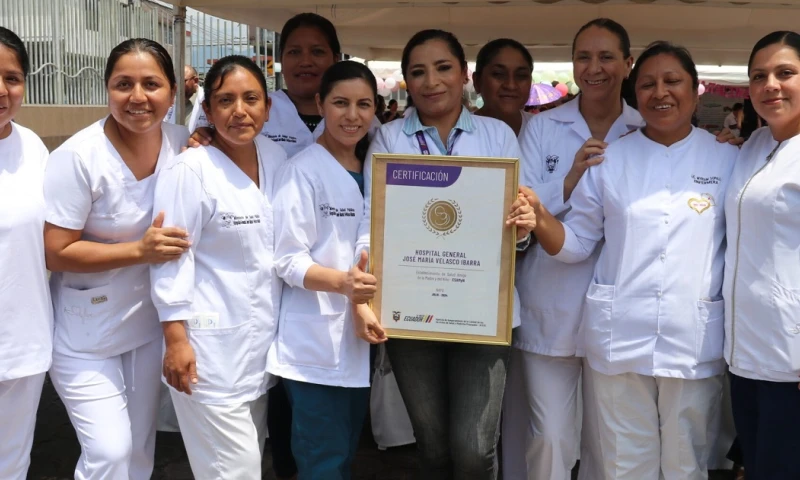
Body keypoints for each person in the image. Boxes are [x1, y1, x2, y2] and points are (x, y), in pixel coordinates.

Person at [528, 41, 738, 479]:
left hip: (692, 339)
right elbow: (579, 242)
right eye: (648, 84)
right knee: (625, 467)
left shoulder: (727, 158)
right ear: (635, 92)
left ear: (695, 88)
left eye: (672, 81)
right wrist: (540, 218)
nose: (660, 92)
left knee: (688, 464)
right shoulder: (609, 158)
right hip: (620, 336)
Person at [186, 14, 370, 478]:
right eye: (295, 51)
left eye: (318, 51)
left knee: (330, 440)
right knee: (297, 439)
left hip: (336, 318)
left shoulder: (373, 145)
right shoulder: (266, 124)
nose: (306, 61)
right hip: (291, 312)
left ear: (335, 58)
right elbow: (287, 254)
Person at [355, 29, 537, 480]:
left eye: (442, 68)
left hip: (483, 313)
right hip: (411, 315)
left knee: (475, 450)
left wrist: (522, 225)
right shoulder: (389, 140)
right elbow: (373, 222)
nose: (431, 81)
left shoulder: (496, 137)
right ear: (405, 82)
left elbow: (518, 234)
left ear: (464, 74)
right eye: (418, 72)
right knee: (432, 447)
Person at [42, 39, 190, 480]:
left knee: (140, 450)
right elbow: (56, 251)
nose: (138, 97)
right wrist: (138, 251)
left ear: (173, 93)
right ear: (107, 89)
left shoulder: (181, 142)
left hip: (144, 326)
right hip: (84, 334)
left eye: (151, 84)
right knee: (109, 452)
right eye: (123, 84)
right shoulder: (78, 157)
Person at [510, 18, 643, 480]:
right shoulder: (543, 128)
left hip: (621, 310)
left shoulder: (644, 128)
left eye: (607, 57)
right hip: (550, 304)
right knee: (550, 438)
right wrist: (569, 178)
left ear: (628, 63)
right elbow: (519, 199)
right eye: (584, 57)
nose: (594, 68)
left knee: (608, 442)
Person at [151, 55, 286, 479]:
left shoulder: (277, 157)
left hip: (259, 348)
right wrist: (175, 340)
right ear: (207, 110)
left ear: (268, 106)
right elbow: (171, 259)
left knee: (246, 461)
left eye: (251, 98)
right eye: (225, 100)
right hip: (207, 353)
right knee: (237, 471)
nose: (239, 111)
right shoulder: (191, 169)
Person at [267, 60, 386, 480]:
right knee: (322, 461)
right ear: (320, 103)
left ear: (377, 109)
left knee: (342, 452)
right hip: (313, 343)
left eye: (363, 104)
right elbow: (286, 258)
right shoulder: (302, 171)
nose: (352, 115)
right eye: (340, 103)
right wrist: (345, 284)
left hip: (356, 341)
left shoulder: (376, 168)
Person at [723, 30, 800, 480]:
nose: (770, 84)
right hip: (745, 353)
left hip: (790, 361)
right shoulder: (754, 146)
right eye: (759, 76)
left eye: (785, 73)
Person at [0, 27, 53, 480]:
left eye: (12, 78)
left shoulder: (34, 147)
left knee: (12, 463)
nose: (2, 90)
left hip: (23, 343)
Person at [472, 38, 534, 137]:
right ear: (477, 81)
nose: (511, 85)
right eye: (498, 74)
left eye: (521, 75)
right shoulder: (456, 134)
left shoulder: (543, 129)